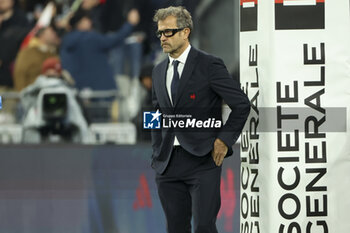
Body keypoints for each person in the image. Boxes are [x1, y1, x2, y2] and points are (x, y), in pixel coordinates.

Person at [151, 6, 250, 233]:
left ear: (186, 32)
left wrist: (224, 140)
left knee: (204, 227)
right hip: (167, 164)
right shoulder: (158, 71)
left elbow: (241, 104)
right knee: (176, 228)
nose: (163, 38)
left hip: (203, 160)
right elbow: (156, 114)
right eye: (160, 33)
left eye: (169, 32)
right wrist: (157, 148)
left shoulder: (209, 64)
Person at [60, 9, 140, 92]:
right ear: (82, 22)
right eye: (87, 20)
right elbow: (114, 40)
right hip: (100, 89)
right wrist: (129, 24)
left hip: (77, 89)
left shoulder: (66, 41)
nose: (90, 22)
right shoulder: (90, 38)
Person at [13, 25, 61, 91]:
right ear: (42, 35)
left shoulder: (54, 54)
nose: (55, 35)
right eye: (51, 33)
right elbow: (20, 73)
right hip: (32, 94)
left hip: (51, 93)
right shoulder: (28, 53)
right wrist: (22, 93)